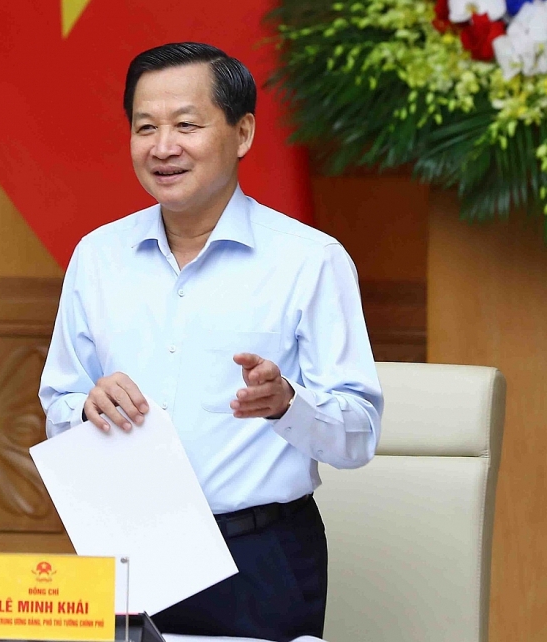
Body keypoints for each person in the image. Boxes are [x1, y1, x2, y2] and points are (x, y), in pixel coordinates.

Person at [38, 42, 383, 642]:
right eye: (145, 127)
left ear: (242, 133)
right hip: (127, 550)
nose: (162, 147)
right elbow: (58, 409)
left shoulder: (310, 261)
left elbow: (359, 435)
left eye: (186, 125)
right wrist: (85, 409)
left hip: (261, 558)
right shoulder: (98, 257)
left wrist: (287, 404)